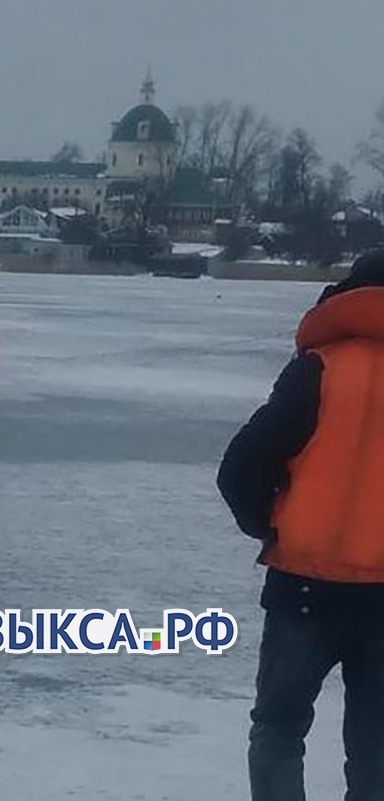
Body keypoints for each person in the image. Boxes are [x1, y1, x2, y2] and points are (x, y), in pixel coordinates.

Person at [218, 250, 384, 800]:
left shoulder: (320, 368)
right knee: (376, 744)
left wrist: (270, 524)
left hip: (303, 583)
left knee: (279, 729)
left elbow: (242, 466)